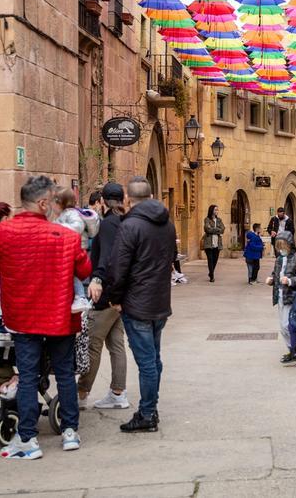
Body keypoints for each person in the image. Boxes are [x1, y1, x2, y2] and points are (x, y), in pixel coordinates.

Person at [0, 176, 90, 459]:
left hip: (22, 315)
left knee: (28, 376)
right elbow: (84, 270)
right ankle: (70, 432)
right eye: (52, 199)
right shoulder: (67, 237)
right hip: (59, 314)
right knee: (65, 373)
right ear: (43, 202)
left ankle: (28, 437)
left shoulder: (3, 231)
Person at [92, 176, 176, 434]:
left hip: (138, 303)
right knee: (154, 358)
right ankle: (152, 407)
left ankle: (148, 413)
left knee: (147, 362)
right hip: (159, 301)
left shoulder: (130, 226)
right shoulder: (167, 224)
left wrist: (114, 298)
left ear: (129, 199)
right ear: (151, 196)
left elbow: (118, 268)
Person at [79, 182, 130, 411]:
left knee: (93, 343)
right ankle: (118, 392)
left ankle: (81, 392)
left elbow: (107, 258)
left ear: (101, 202)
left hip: (108, 293)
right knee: (116, 344)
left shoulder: (109, 224)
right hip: (121, 292)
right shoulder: (126, 222)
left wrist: (98, 280)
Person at [56, 189, 100, 312]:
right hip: (79, 247)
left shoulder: (70, 214)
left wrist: (57, 228)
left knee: (74, 275)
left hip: (76, 248)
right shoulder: (75, 213)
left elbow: (77, 227)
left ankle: (80, 297)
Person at [267, 232, 296, 362]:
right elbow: (276, 274)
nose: (281, 250)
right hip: (279, 296)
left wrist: (290, 281)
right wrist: (271, 279)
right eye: (279, 247)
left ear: (290, 245)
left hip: (290, 296)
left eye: (283, 247)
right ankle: (292, 351)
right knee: (282, 327)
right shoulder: (279, 259)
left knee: (287, 325)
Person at [202, 205, 225, 283]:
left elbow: (223, 229)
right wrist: (217, 230)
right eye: (215, 210)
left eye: (217, 210)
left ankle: (210, 272)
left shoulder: (219, 220)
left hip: (217, 243)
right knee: (210, 259)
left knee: (215, 259)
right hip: (209, 243)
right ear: (211, 210)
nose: (217, 211)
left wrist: (214, 230)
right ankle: (212, 276)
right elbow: (207, 229)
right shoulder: (207, 219)